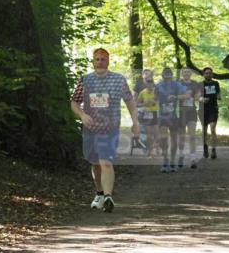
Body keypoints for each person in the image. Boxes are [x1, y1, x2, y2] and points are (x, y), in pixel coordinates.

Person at [70, 48, 140, 212]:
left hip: (110, 128)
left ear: (108, 61)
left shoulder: (118, 80)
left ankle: (108, 197)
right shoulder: (85, 80)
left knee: (106, 162)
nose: (100, 62)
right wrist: (82, 115)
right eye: (97, 59)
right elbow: (74, 102)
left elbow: (130, 101)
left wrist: (135, 121)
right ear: (93, 62)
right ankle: (99, 193)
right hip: (90, 128)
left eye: (103, 59)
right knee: (95, 164)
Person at [155, 67, 190, 173]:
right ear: (162, 75)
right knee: (163, 138)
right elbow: (154, 97)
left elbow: (187, 95)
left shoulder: (177, 85)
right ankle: (165, 159)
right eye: (165, 74)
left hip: (175, 116)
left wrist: (176, 97)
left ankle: (172, 162)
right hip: (162, 116)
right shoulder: (158, 85)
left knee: (174, 140)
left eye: (169, 74)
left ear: (171, 75)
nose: (167, 76)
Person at [178, 67, 201, 169]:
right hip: (181, 112)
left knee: (192, 136)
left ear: (191, 74)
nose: (186, 73)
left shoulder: (195, 83)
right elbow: (174, 95)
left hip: (191, 111)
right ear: (182, 74)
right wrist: (183, 96)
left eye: (188, 72)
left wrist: (199, 97)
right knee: (182, 136)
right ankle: (181, 154)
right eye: (184, 72)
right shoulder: (177, 83)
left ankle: (193, 158)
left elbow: (197, 95)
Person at [135, 71, 161, 159]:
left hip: (155, 113)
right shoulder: (142, 92)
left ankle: (156, 148)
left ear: (153, 83)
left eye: (151, 82)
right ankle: (151, 152)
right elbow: (137, 104)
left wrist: (154, 101)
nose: (150, 84)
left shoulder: (156, 91)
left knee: (156, 134)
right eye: (148, 82)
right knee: (149, 135)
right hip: (147, 114)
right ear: (146, 84)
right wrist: (144, 104)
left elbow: (156, 101)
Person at [199, 66, 221, 159]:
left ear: (212, 74)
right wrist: (202, 99)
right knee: (204, 130)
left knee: (212, 129)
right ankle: (205, 148)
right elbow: (197, 96)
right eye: (206, 73)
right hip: (203, 109)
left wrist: (219, 96)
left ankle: (213, 150)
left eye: (210, 73)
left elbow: (219, 93)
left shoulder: (216, 83)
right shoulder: (200, 84)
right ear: (204, 75)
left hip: (213, 109)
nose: (208, 74)